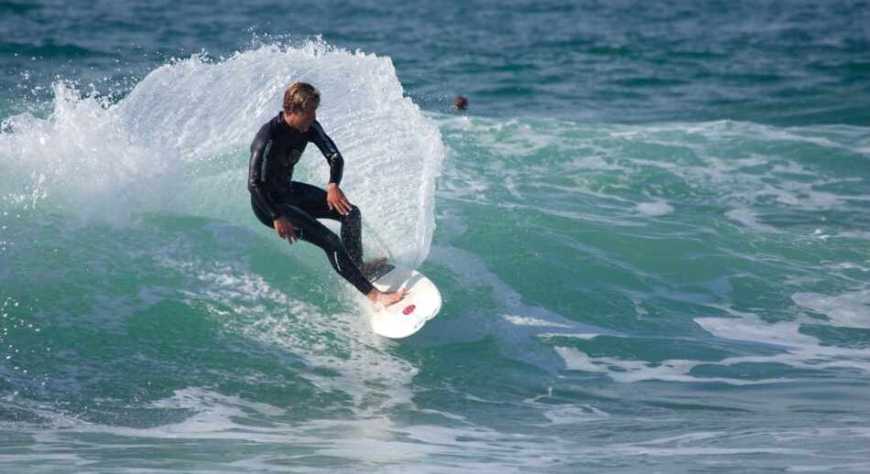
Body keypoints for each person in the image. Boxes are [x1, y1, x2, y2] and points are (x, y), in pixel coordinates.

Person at [248, 82, 406, 306]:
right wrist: (276, 216)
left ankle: (357, 267)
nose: (314, 117)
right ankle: (376, 297)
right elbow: (254, 184)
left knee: (351, 213)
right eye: (310, 112)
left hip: (288, 192)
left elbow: (335, 157)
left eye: (315, 111)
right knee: (330, 241)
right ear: (294, 110)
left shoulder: (309, 127)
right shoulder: (268, 137)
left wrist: (333, 185)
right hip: (269, 205)